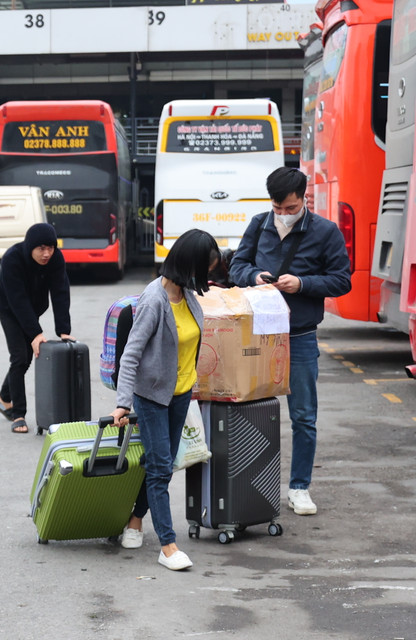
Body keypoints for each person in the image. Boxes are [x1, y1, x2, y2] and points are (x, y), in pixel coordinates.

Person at [230, 167, 351, 516]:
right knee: (249, 414)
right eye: (277, 207)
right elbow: (237, 267)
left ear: (304, 198)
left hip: (299, 336)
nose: (283, 214)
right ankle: (250, 488)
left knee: (303, 417)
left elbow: (342, 280)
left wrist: (302, 284)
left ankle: (299, 487)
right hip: (259, 336)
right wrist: (254, 276)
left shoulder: (325, 231)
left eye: (291, 208)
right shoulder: (259, 224)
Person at [111, 228, 219, 571]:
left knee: (162, 463)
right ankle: (168, 546)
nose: (207, 277)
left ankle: (135, 519)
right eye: (205, 269)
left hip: (182, 393)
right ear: (190, 265)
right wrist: (123, 403)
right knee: (160, 469)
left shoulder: (187, 295)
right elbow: (130, 355)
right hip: (152, 397)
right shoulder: (154, 301)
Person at [0, 222, 73, 434]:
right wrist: (36, 333)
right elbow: (17, 300)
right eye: (41, 249)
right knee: (20, 357)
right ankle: (18, 414)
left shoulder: (56, 259)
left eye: (51, 248)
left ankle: (4, 396)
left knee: (28, 356)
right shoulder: (12, 259)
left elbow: (60, 291)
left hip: (34, 308)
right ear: (30, 247)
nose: (46, 254)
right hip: (9, 308)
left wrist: (63, 329)